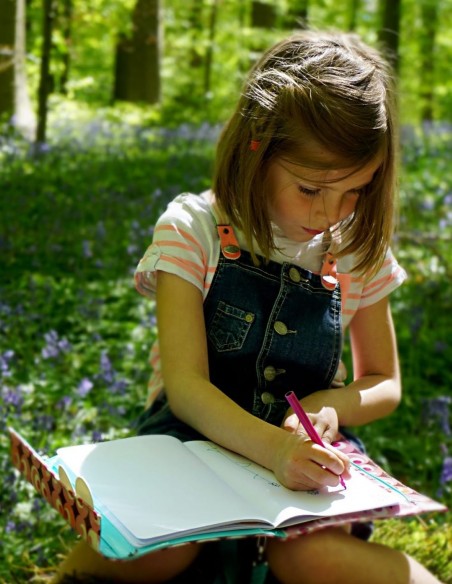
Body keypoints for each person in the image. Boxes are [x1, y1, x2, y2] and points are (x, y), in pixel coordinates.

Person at [53, 30, 444, 584]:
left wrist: (330, 408)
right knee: (160, 546)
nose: (332, 212)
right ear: (256, 148)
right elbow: (186, 388)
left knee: (309, 557)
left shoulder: (357, 250)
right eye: (311, 190)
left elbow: (384, 381)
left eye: (355, 190)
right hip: (192, 436)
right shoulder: (194, 231)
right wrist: (272, 448)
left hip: (312, 451)